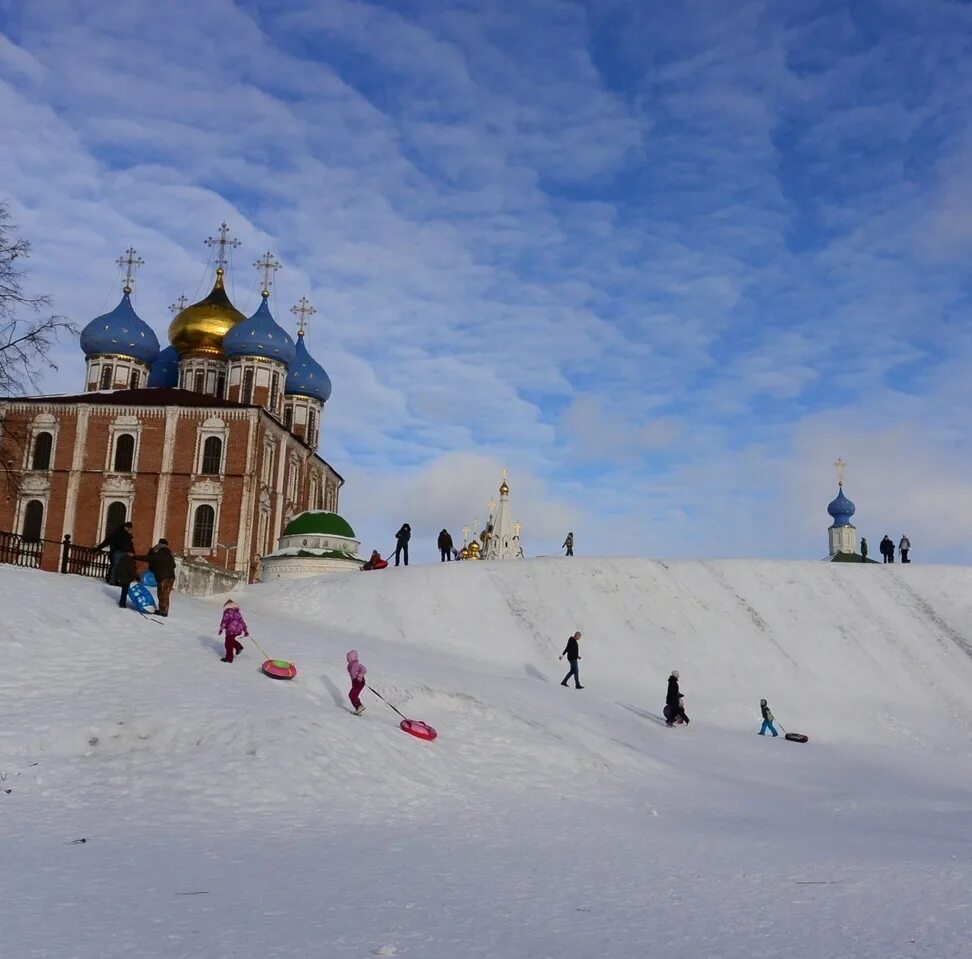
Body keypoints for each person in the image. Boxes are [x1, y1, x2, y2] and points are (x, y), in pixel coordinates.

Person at [138, 538, 176, 616]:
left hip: (163, 577)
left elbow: (149, 559)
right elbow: (174, 565)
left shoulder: (158, 552)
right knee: (166, 594)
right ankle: (164, 611)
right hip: (171, 576)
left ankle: (163, 612)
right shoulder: (169, 554)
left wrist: (135, 557)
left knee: (162, 594)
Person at [96, 520, 134, 585]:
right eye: (129, 528)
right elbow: (129, 544)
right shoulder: (120, 533)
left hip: (119, 551)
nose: (130, 530)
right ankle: (113, 580)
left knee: (117, 566)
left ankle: (115, 580)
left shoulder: (119, 533)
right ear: (126, 527)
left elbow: (107, 541)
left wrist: (99, 548)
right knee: (116, 566)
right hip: (118, 551)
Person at [218, 599, 249, 663]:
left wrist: (221, 629)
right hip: (238, 630)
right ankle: (238, 647)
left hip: (231, 630)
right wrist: (245, 630)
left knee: (228, 644)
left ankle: (229, 658)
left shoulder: (227, 612)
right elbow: (242, 622)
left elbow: (224, 621)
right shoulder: (238, 613)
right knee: (230, 640)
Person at [346, 649, 367, 715]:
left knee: (352, 695)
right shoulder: (350, 665)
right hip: (355, 682)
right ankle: (359, 707)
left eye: (348, 658)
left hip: (359, 681)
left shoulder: (356, 664)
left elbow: (364, 669)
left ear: (352, 658)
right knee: (353, 695)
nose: (347, 660)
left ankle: (359, 706)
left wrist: (360, 676)